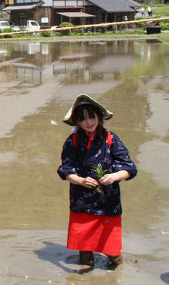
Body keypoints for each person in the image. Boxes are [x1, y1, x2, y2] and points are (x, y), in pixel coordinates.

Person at [57, 94, 137, 268]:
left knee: (112, 252)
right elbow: (65, 170)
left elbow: (129, 168)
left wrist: (115, 176)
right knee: (84, 252)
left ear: (99, 117)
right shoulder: (73, 141)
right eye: (83, 119)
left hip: (108, 201)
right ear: (77, 122)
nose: (88, 122)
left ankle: (116, 270)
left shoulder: (111, 139)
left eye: (91, 117)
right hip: (81, 200)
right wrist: (80, 180)